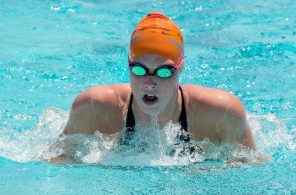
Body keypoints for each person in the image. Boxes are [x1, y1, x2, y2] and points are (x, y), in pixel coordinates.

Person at [49, 12, 255, 163]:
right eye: (139, 70)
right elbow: (56, 159)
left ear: (181, 66)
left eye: (163, 72)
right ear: (128, 64)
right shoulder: (95, 108)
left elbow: (250, 167)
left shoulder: (221, 113)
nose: (149, 82)